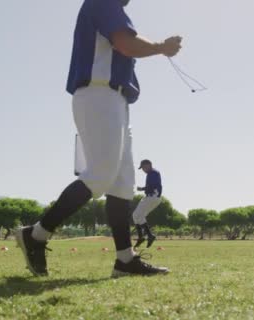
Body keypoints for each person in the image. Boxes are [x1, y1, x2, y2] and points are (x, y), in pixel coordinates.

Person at [15, 0, 182, 277]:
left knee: (122, 184)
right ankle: (36, 234)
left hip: (114, 99)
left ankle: (125, 260)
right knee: (101, 174)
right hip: (98, 94)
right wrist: (161, 47)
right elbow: (126, 44)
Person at [132, 159, 162, 248]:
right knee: (136, 216)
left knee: (137, 215)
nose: (143, 170)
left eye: (143, 167)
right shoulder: (152, 173)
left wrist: (142, 189)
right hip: (153, 197)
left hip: (152, 197)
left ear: (148, 165)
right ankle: (143, 237)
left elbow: (152, 186)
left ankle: (148, 236)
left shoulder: (153, 173)